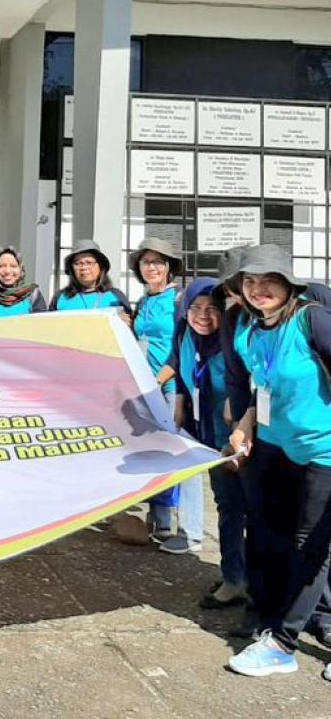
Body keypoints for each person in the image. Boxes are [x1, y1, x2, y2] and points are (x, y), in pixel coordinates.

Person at [227, 244, 331, 679]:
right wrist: (246, 423)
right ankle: (288, 622)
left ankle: (283, 644)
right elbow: (262, 385)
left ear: (290, 284)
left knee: (313, 546)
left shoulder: (313, 320)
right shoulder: (249, 329)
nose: (258, 289)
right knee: (280, 539)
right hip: (275, 447)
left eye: (269, 280)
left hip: (322, 451)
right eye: (249, 282)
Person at [171, 278, 247, 608]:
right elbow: (179, 371)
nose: (204, 316)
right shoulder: (185, 335)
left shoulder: (233, 340)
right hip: (209, 438)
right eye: (196, 308)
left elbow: (252, 381)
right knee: (227, 507)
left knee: (251, 510)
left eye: (213, 309)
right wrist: (177, 401)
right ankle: (235, 577)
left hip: (241, 439)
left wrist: (239, 408)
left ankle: (253, 578)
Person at [129, 237, 188, 548]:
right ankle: (156, 513)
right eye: (146, 262)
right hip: (146, 384)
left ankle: (170, 520)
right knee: (152, 448)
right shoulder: (145, 300)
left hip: (169, 387)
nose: (151, 267)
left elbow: (181, 348)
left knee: (169, 450)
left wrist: (158, 379)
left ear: (169, 268)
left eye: (158, 262)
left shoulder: (178, 300)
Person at [49, 240, 132, 314]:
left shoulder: (116, 296)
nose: (84, 268)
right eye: (78, 263)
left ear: (101, 266)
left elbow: (128, 327)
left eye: (89, 263)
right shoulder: (60, 297)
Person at [0, 246, 46, 317]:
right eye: (1, 266)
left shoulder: (33, 294)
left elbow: (41, 326)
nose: (7, 271)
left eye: (13, 266)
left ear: (21, 269)